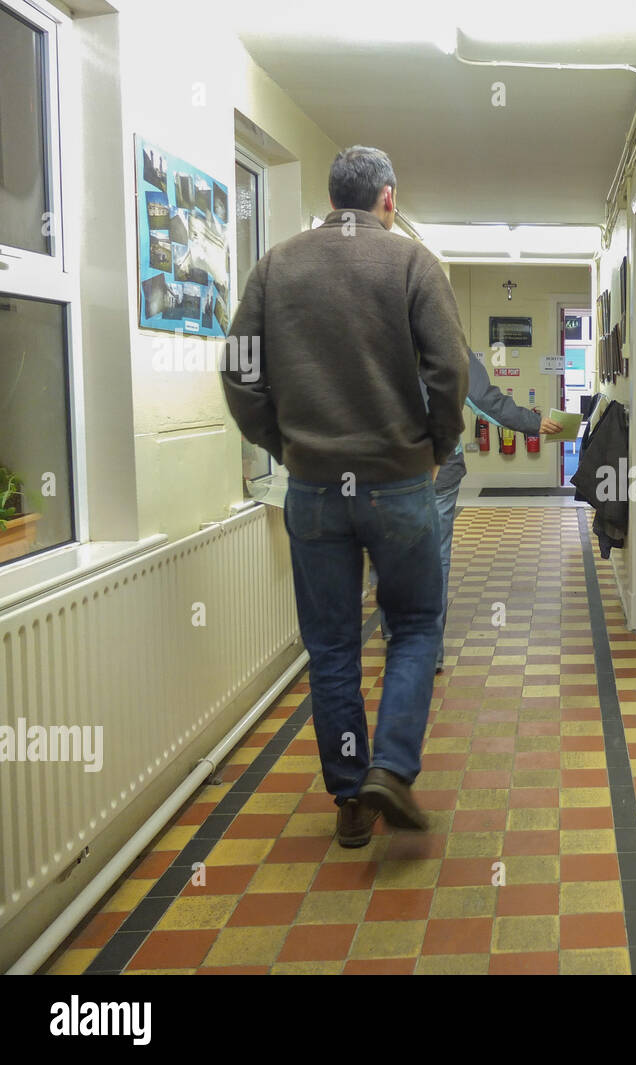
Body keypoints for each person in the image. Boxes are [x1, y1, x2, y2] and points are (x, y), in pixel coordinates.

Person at [221, 146, 469, 847]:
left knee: (330, 645)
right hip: (398, 480)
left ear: (334, 200)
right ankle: (391, 763)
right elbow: (449, 369)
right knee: (416, 625)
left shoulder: (277, 266)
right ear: (388, 200)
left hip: (314, 488)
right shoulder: (413, 263)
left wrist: (284, 442)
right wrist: (436, 444)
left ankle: (350, 798)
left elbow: (239, 372)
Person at [374, 362, 563, 661]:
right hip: (436, 470)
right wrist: (532, 422)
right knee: (433, 558)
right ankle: (426, 651)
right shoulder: (446, 343)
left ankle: (394, 631)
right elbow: (485, 402)